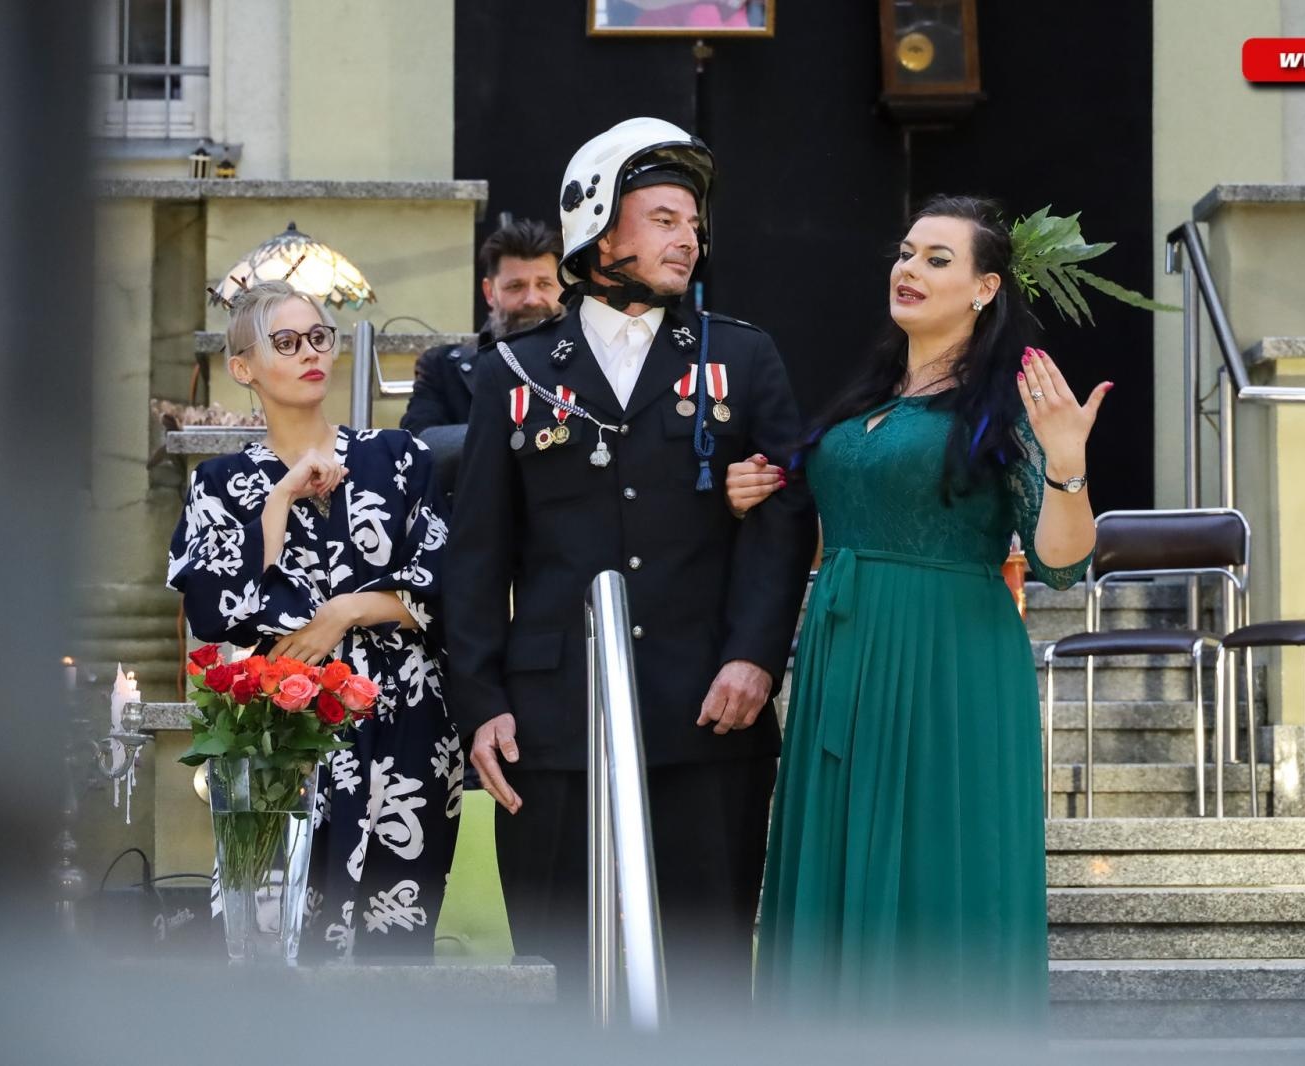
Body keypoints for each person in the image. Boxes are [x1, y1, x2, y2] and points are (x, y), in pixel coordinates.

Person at [444, 117, 816, 1007]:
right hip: (551, 724)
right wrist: (481, 704)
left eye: (693, 223)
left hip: (707, 710)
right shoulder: (514, 372)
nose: (689, 238)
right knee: (558, 976)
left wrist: (755, 657)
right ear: (601, 230)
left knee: (707, 975)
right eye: (664, 219)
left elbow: (784, 519)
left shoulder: (743, 356)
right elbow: (477, 553)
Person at [734, 195, 1105, 1021]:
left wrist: (1067, 463)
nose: (910, 269)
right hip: (844, 655)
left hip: (948, 663)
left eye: (938, 259)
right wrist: (755, 488)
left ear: (985, 288)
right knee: (838, 867)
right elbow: (829, 513)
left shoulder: (1006, 402)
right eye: (906, 253)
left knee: (939, 869)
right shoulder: (870, 394)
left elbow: (1062, 562)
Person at [168, 280, 460, 958]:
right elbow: (213, 609)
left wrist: (345, 611)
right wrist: (278, 499)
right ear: (243, 367)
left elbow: (448, 585)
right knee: (270, 932)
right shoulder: (219, 483)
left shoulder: (400, 457)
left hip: (403, 720)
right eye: (286, 341)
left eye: (319, 337)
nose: (310, 352)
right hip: (280, 723)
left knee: (394, 938)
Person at [400, 218, 563, 440]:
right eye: (516, 286)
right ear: (489, 292)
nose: (531, 299)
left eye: (544, 284)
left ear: (562, 289)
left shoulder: (592, 360)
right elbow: (419, 441)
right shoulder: (442, 369)